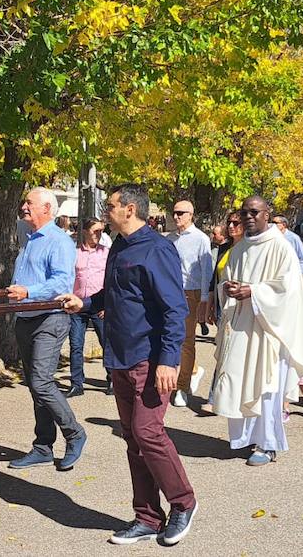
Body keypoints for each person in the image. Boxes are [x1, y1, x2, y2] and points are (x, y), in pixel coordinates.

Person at [58, 184, 197, 547]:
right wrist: (85, 304)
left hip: (148, 360)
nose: (106, 211)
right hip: (119, 356)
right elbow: (115, 294)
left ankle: (183, 502)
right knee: (133, 438)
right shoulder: (119, 246)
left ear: (130, 209)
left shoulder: (157, 249)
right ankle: (148, 517)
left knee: (148, 432)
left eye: (111, 205)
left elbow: (175, 310)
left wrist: (169, 361)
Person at [210, 195, 303, 466]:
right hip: (243, 325)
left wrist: (253, 291)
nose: (249, 217)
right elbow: (227, 279)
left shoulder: (280, 247)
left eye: (255, 212)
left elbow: (288, 291)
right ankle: (245, 439)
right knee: (239, 380)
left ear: (267, 214)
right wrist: (229, 289)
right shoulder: (240, 247)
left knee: (266, 388)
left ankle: (267, 445)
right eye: (245, 212)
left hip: (269, 331)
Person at [5, 187, 86, 471]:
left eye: (30, 203)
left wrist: (28, 292)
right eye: (24, 201)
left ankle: (75, 433)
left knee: (41, 382)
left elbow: (61, 284)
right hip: (26, 320)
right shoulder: (29, 238)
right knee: (34, 385)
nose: (24, 206)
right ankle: (43, 446)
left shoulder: (59, 241)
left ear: (47, 209)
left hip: (50, 319)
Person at [166, 200, 213, 408]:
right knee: (169, 337)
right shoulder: (169, 239)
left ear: (190, 215)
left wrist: (204, 300)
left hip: (190, 292)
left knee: (186, 340)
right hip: (171, 292)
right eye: (174, 213)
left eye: (180, 213)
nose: (176, 216)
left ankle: (182, 387)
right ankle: (191, 370)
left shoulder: (201, 239)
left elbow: (206, 271)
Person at [68, 217, 109, 397]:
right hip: (78, 305)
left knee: (107, 344)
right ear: (85, 232)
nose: (98, 235)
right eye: (95, 231)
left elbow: (111, 281)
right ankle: (77, 383)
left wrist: (108, 305)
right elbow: (69, 277)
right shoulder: (75, 253)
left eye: (101, 231)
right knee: (76, 345)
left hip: (99, 305)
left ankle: (113, 380)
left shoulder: (106, 253)